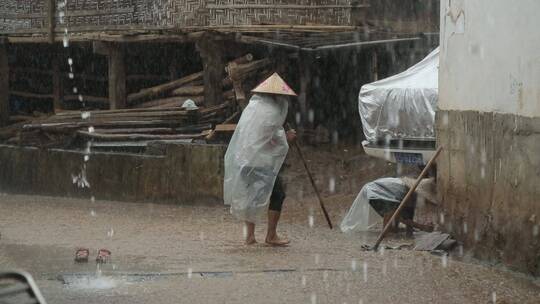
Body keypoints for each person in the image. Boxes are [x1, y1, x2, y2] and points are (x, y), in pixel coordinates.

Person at [224, 73, 297, 246]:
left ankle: (250, 236)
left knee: (252, 196)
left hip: (245, 160)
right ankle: (271, 235)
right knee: (278, 194)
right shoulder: (271, 112)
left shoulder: (253, 108)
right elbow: (270, 138)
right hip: (260, 161)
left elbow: (256, 136)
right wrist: (287, 138)